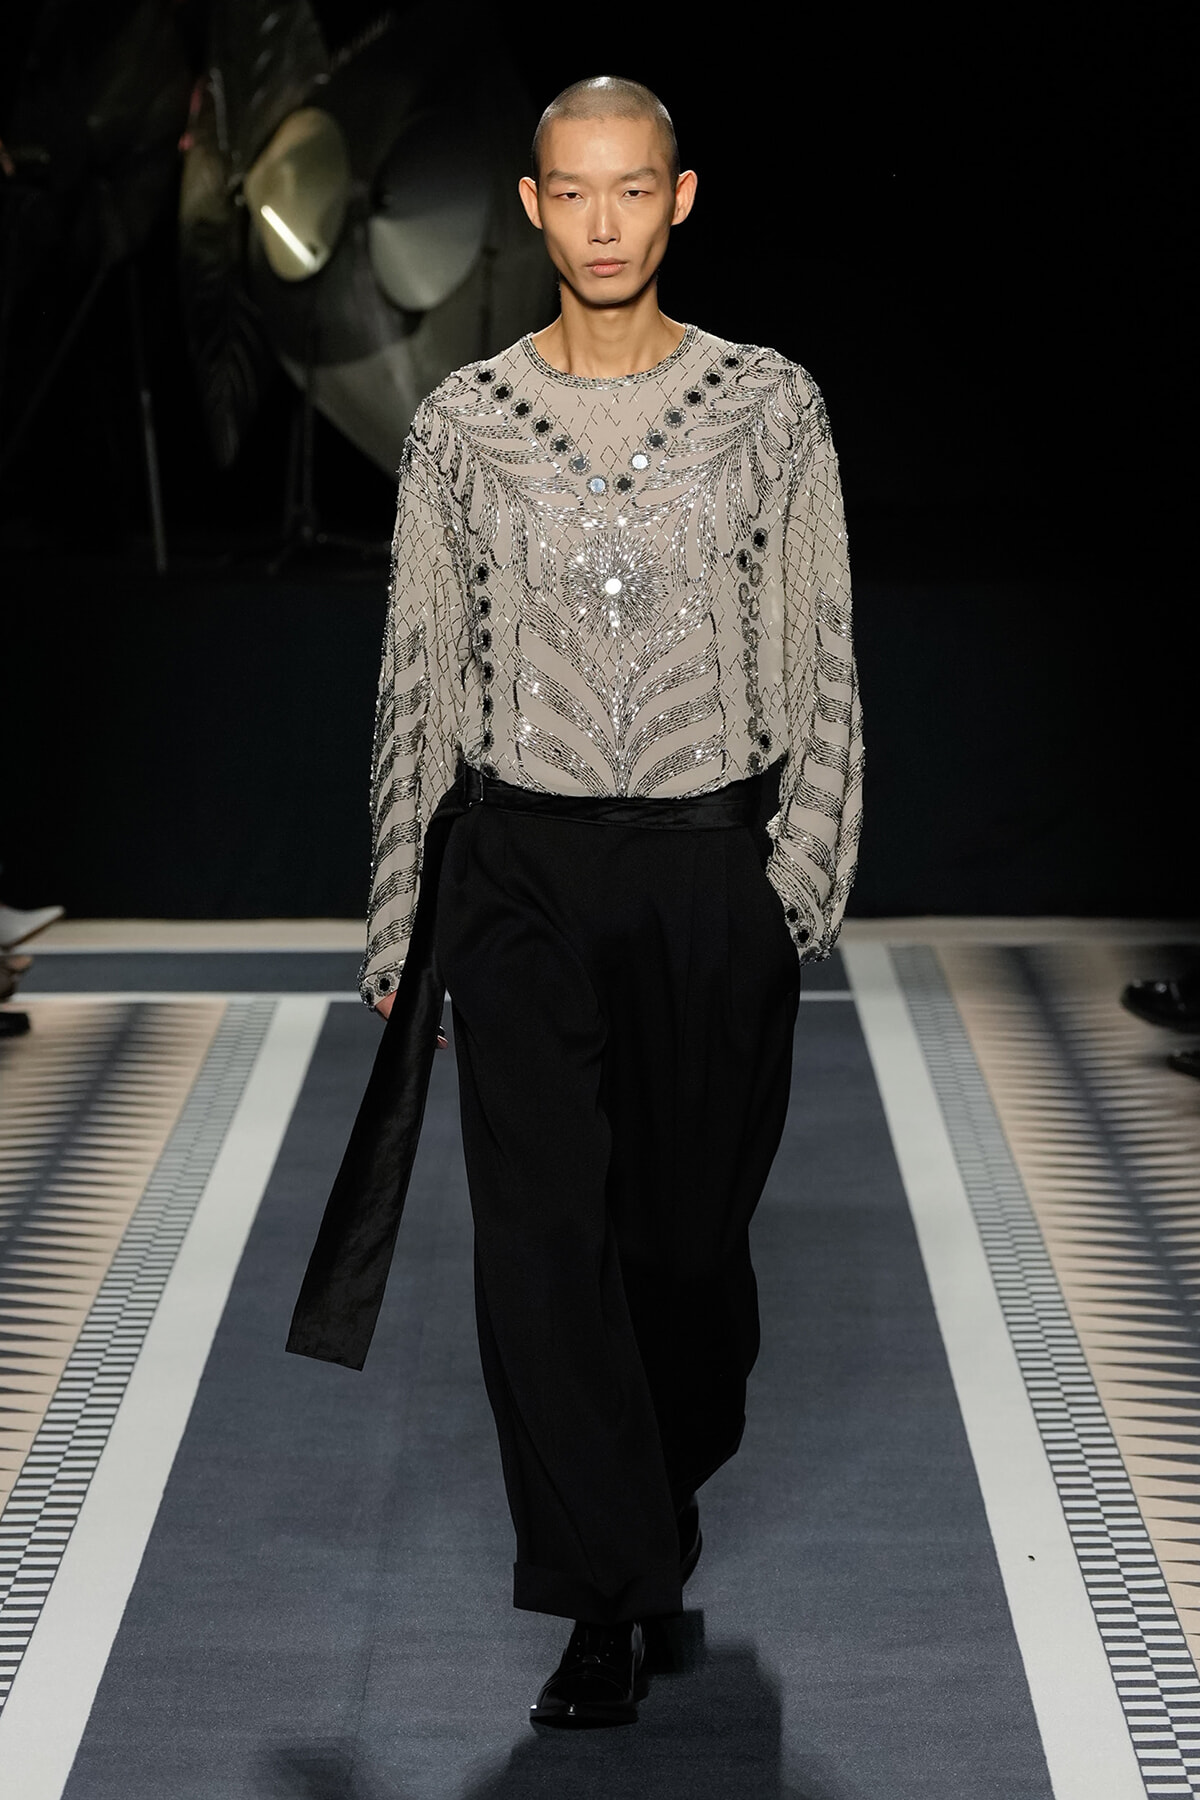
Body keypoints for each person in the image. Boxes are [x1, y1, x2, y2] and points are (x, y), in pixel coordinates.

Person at [287, 74, 863, 1730]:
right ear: (532, 209)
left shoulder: (770, 407)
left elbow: (820, 646)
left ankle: (656, 1488)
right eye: (573, 193)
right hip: (522, 861)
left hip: (705, 866)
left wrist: (795, 880)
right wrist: (406, 910)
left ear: (681, 200)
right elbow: (416, 670)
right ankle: (602, 1598)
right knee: (542, 1247)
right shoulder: (465, 424)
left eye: (634, 191)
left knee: (684, 1257)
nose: (603, 222)